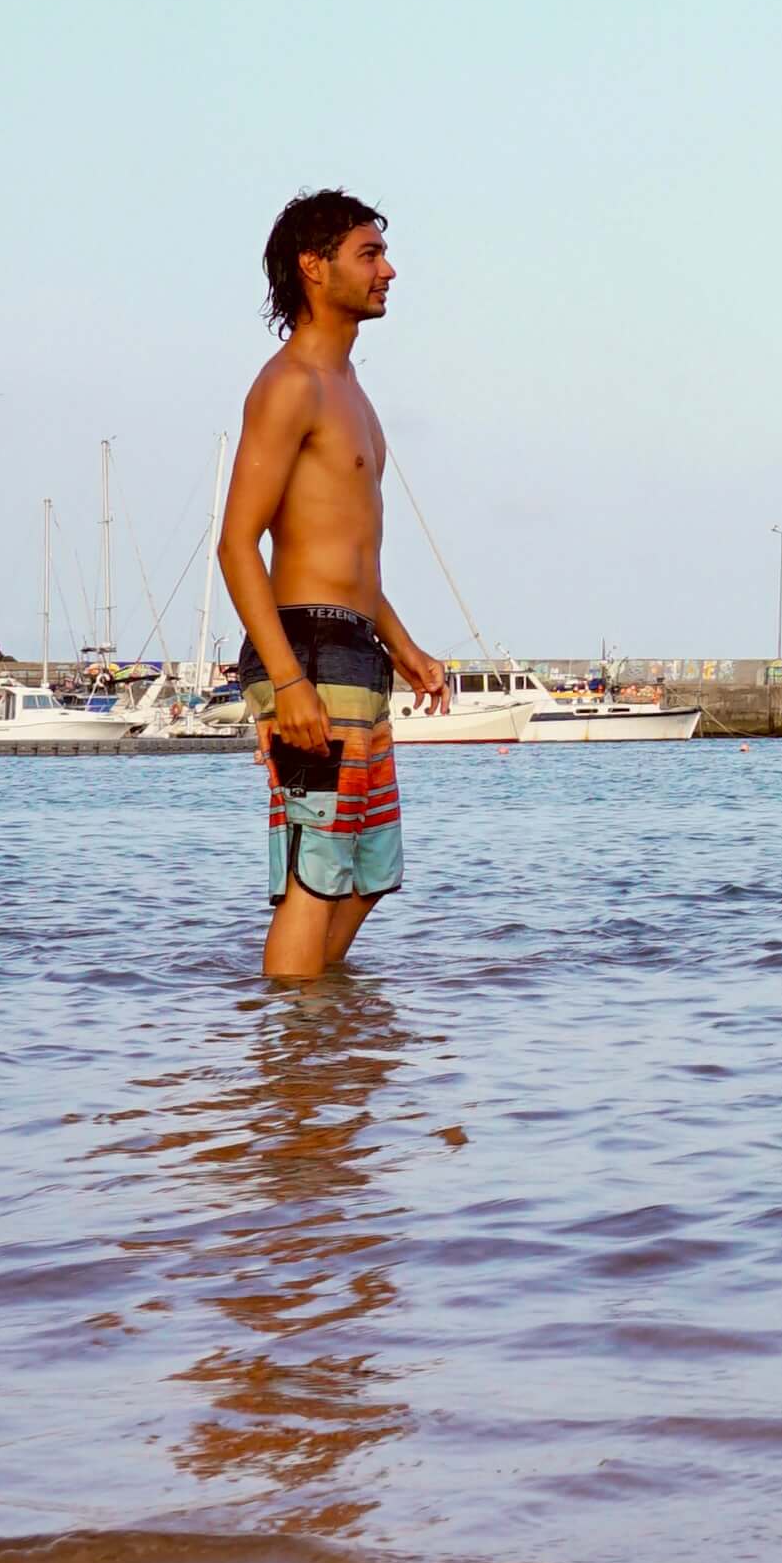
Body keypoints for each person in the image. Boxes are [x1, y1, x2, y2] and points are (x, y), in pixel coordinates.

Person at [214, 190, 450, 984]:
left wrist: (404, 648)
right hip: (305, 651)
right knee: (313, 877)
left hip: (352, 647)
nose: (389, 270)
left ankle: (320, 1030)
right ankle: (290, 1043)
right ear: (314, 268)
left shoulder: (353, 394)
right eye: (368, 254)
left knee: (369, 870)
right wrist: (288, 683)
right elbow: (237, 543)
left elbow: (348, 557)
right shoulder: (290, 385)